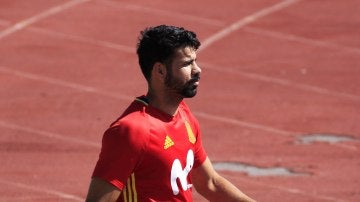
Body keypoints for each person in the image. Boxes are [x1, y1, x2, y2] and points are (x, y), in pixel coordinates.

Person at [86, 25, 255, 202]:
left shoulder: (184, 115)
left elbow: (209, 183)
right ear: (160, 71)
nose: (197, 70)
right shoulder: (131, 131)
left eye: (195, 61)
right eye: (187, 64)